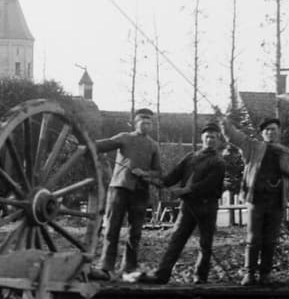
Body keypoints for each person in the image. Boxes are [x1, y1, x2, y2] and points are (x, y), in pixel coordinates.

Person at [222, 110, 289, 285]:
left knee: (270, 240)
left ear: (279, 132)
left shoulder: (286, 151)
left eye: (274, 129)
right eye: (267, 130)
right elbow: (234, 136)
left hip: (276, 202)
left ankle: (265, 274)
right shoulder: (253, 147)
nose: (270, 133)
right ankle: (249, 274)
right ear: (262, 133)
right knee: (253, 239)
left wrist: (286, 165)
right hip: (256, 200)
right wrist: (225, 123)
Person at [137, 124, 231, 285]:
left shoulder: (219, 162)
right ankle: (162, 275)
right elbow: (172, 177)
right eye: (207, 136)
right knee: (176, 239)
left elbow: (208, 185)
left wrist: (184, 191)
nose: (209, 140)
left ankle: (200, 277)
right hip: (188, 207)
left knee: (205, 243)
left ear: (218, 140)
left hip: (208, 207)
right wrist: (153, 180)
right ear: (202, 138)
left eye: (213, 137)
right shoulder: (191, 157)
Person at [93, 109, 164, 278]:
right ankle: (106, 266)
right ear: (135, 122)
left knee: (135, 232)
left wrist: (145, 173)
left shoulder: (153, 145)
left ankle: (129, 268)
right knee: (112, 228)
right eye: (142, 122)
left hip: (140, 192)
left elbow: (158, 172)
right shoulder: (124, 137)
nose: (146, 125)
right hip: (119, 189)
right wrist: (85, 143)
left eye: (149, 123)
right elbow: (102, 145)